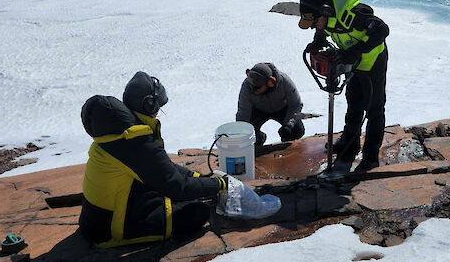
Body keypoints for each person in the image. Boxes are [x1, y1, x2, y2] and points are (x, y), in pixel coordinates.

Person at [78, 71, 227, 248]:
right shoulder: (135, 140)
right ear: (149, 105)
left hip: (96, 219)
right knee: (199, 212)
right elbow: (176, 187)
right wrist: (220, 185)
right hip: (110, 229)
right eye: (158, 106)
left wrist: (196, 177)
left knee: (188, 196)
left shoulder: (117, 131)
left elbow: (161, 168)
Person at [298, 0, 389, 174]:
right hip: (352, 62)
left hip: (373, 62)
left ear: (324, 12)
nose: (315, 26)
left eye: (315, 22)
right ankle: (350, 142)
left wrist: (355, 52)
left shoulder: (356, 15)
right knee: (354, 101)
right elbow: (323, 29)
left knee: (374, 109)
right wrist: (318, 41)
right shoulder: (326, 14)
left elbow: (382, 30)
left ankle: (370, 156)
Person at [236, 62, 305, 146]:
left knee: (297, 131)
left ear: (270, 83)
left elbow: (296, 105)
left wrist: (288, 125)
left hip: (281, 108)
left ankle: (286, 142)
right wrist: (242, 133)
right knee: (251, 139)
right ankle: (259, 138)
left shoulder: (284, 81)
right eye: (251, 85)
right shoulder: (247, 86)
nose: (253, 89)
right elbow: (243, 111)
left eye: (257, 87)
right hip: (258, 110)